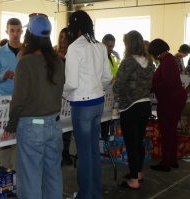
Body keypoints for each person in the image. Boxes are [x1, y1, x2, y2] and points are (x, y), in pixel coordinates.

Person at [3, 14, 65, 199]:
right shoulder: (57, 61)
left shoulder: (26, 61)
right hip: (54, 125)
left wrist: (11, 125)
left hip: (32, 127)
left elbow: (19, 100)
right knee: (53, 175)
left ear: (28, 34)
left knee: (30, 178)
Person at [64, 10, 112, 199]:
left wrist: (61, 92)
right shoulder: (100, 46)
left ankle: (85, 195)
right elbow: (108, 77)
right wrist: (97, 88)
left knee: (83, 153)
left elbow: (72, 83)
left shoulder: (75, 47)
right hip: (98, 102)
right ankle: (95, 193)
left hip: (82, 106)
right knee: (93, 150)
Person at [113, 30, 154, 189]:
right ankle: (138, 172)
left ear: (128, 44)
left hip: (130, 107)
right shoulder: (149, 61)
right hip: (145, 105)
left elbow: (118, 86)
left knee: (131, 144)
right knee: (139, 142)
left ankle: (134, 180)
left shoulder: (128, 62)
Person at [148, 39, 187, 171]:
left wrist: (151, 88)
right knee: (172, 130)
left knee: (166, 131)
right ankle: (172, 160)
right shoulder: (168, 60)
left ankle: (165, 163)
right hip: (174, 99)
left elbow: (167, 83)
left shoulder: (167, 62)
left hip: (170, 100)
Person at [55, 27, 74, 166]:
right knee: (57, 126)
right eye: (61, 37)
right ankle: (57, 154)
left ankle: (65, 152)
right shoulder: (52, 53)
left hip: (68, 94)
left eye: (65, 38)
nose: (63, 41)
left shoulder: (73, 54)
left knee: (67, 126)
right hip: (55, 94)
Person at [0, 18, 23, 96]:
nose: (15, 34)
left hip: (25, 97)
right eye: (12, 30)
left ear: (22, 32)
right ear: (6, 32)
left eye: (18, 30)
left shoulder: (28, 52)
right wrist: (2, 76)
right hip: (5, 97)